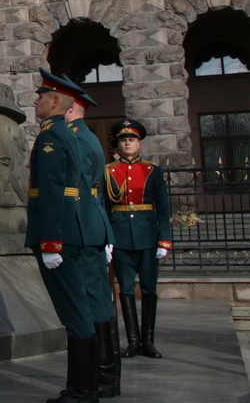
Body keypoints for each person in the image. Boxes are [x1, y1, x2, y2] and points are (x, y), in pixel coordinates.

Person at [26, 70, 114, 403]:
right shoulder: (70, 134)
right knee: (85, 308)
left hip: (60, 233)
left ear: (55, 101)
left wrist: (50, 242)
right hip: (78, 228)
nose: (36, 101)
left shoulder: (52, 137)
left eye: (41, 96)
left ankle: (81, 390)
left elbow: (50, 192)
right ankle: (87, 386)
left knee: (74, 312)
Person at [103, 118, 172, 362]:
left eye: (132, 139)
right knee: (126, 290)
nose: (128, 143)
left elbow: (163, 208)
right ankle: (133, 341)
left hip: (148, 236)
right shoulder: (109, 171)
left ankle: (148, 340)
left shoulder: (152, 170)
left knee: (150, 289)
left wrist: (164, 240)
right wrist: (106, 239)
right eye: (124, 140)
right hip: (120, 236)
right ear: (118, 145)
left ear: (139, 144)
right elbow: (105, 207)